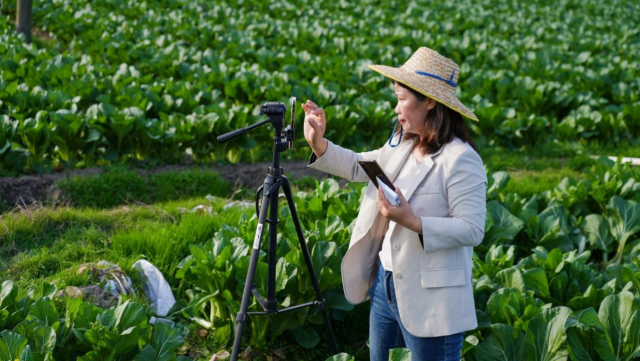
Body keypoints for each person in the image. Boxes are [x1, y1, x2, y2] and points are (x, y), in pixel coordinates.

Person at [302, 47, 487, 361]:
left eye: (402, 99)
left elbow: (472, 230)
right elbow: (359, 164)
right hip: (385, 285)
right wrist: (318, 142)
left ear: (429, 102)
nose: (396, 107)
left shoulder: (461, 159)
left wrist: (412, 220)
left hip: (433, 298)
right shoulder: (404, 142)